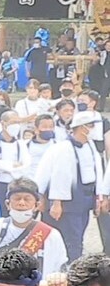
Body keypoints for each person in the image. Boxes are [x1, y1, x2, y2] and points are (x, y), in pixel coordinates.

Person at [0, 178, 68, 277]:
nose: (21, 203)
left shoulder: (51, 235)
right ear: (7, 204)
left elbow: (60, 267)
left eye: (27, 199)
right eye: (17, 198)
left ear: (37, 205)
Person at [46, 111, 104, 260]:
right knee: (73, 237)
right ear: (81, 127)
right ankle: (72, 267)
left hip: (87, 196)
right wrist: (57, 203)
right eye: (90, 125)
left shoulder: (90, 145)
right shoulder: (64, 147)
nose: (93, 128)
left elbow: (97, 171)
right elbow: (60, 176)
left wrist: (99, 196)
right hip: (71, 198)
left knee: (80, 233)